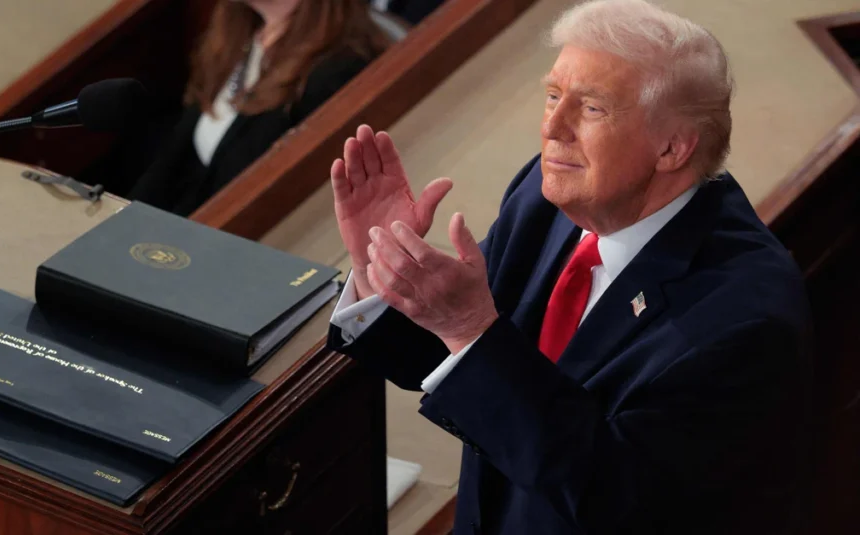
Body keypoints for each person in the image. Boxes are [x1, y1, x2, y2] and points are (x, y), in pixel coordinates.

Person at [327, 0, 812, 533]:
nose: (553, 127)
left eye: (593, 108)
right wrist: (380, 265)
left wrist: (468, 328)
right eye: (554, 96)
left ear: (672, 148)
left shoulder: (746, 321)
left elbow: (615, 497)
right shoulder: (546, 196)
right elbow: (461, 360)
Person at [82, 0, 390, 216]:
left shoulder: (338, 68)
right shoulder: (237, 38)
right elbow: (174, 159)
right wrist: (119, 220)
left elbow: (259, 193)